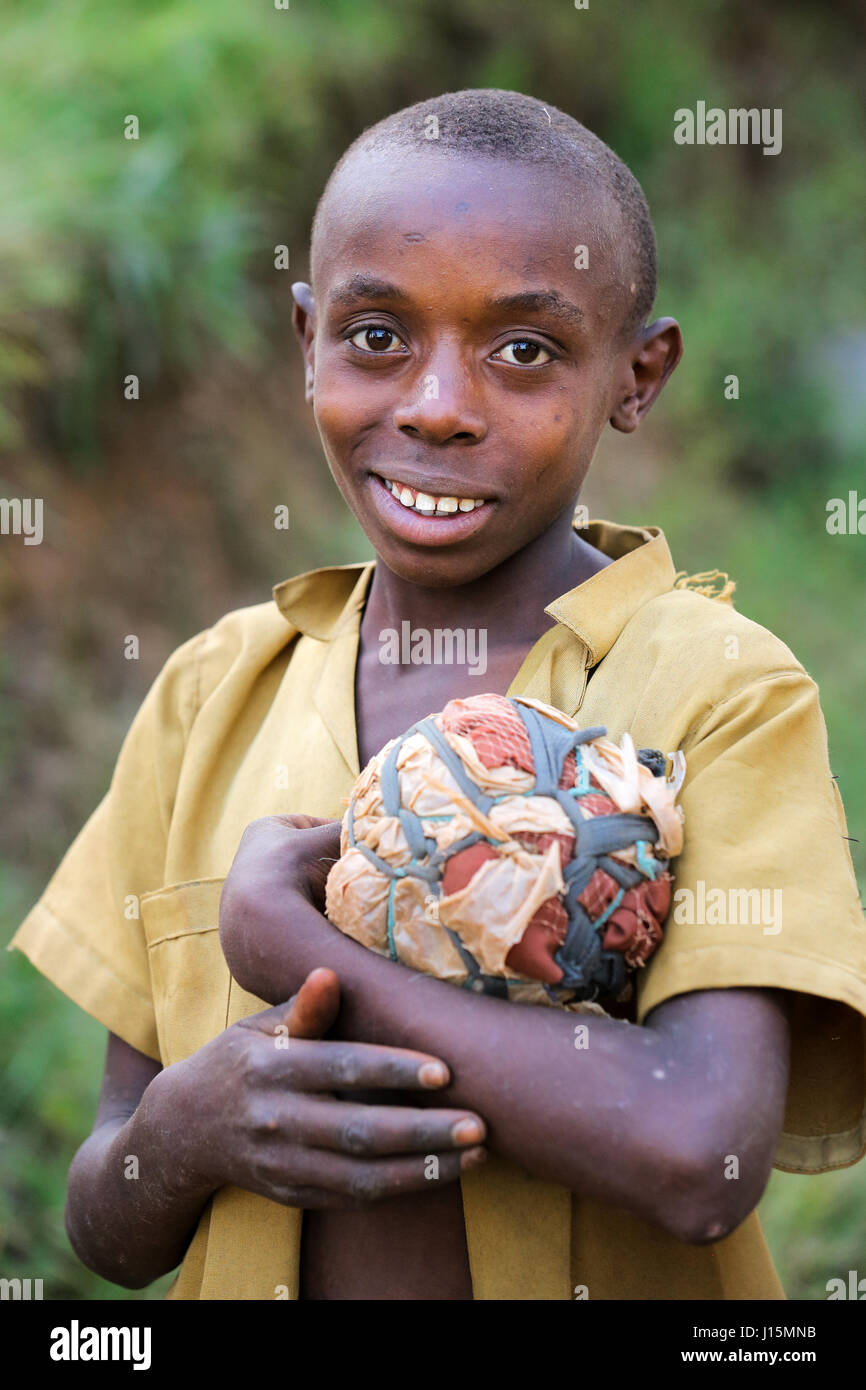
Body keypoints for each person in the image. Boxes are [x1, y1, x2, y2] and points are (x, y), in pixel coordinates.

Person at [9, 89, 866, 1301]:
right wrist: (184, 1132)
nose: (435, 407)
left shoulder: (715, 692)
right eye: (375, 336)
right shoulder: (213, 692)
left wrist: (302, 951)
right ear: (304, 337)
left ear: (637, 374)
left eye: (523, 350)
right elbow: (109, 1219)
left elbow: (698, 1153)